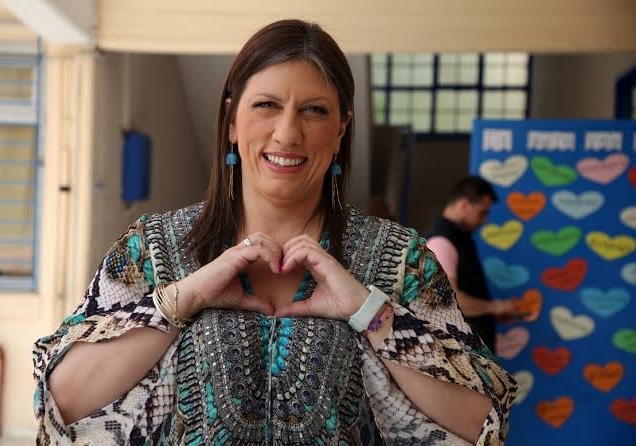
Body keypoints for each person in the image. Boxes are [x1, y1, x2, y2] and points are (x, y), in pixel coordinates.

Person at [33, 20, 516, 445]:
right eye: (266, 105)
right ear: (231, 121)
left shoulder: (401, 259)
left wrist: (369, 311)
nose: (287, 133)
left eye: (314, 110)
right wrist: (182, 299)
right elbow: (61, 403)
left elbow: (483, 422)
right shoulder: (152, 249)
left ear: (341, 130)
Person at [426, 175, 516, 355]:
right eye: (482, 212)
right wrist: (494, 307)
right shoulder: (441, 242)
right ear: (464, 205)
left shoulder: (459, 240)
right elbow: (450, 300)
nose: (485, 221)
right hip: (462, 356)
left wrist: (489, 311)